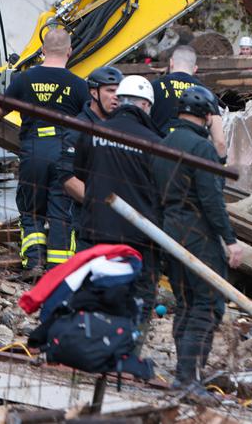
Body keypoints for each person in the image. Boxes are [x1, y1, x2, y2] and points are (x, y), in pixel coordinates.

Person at [152, 86, 244, 386]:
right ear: (207, 115)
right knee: (206, 304)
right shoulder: (201, 148)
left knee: (185, 303)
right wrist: (229, 240)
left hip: (169, 231)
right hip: (197, 234)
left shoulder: (163, 143)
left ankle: (185, 374)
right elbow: (212, 199)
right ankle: (189, 378)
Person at [0, 29, 90, 273]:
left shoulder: (23, 79)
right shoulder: (79, 85)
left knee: (31, 209)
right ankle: (59, 268)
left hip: (33, 150)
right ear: (69, 51)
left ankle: (33, 263)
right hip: (66, 153)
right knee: (61, 210)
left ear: (43, 50)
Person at [73, 75, 163, 326]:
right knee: (138, 300)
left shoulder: (93, 132)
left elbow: (79, 173)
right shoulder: (156, 142)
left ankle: (89, 349)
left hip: (95, 230)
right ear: (146, 106)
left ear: (120, 101)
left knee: (92, 294)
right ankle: (126, 353)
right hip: (139, 237)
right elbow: (162, 190)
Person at [60, 65, 125, 245]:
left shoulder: (123, 125)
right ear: (94, 93)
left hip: (121, 222)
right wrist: (101, 205)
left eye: (120, 91)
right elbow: (67, 178)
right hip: (89, 222)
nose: (116, 96)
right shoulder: (78, 129)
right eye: (110, 90)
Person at [151, 46, 226, 158]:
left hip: (160, 156)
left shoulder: (154, 86)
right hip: (193, 159)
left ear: (171, 62)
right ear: (195, 68)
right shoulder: (205, 93)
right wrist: (221, 164)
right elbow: (220, 142)